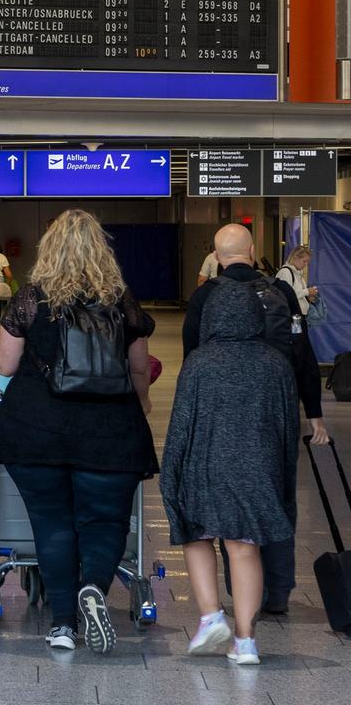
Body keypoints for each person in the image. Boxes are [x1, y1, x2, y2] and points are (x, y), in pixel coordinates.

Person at [0, 209, 156, 655]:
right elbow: (139, 368)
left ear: (49, 249)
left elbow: (5, 365)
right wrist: (141, 405)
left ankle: (62, 626)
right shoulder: (120, 299)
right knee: (106, 521)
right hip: (110, 431)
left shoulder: (31, 298)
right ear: (101, 250)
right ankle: (94, 586)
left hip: (37, 430)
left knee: (51, 525)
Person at [183, 224, 328, 616]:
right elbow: (302, 353)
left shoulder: (206, 296)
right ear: (252, 249)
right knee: (277, 495)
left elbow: (191, 360)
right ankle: (277, 592)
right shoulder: (279, 292)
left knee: (230, 500)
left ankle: (245, 592)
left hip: (221, 414)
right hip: (275, 409)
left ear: (215, 254)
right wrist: (313, 412)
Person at [161, 278, 299, 666]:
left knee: (196, 534)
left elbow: (182, 424)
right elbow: (288, 426)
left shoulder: (200, 363)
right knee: (244, 547)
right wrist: (284, 479)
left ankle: (210, 616)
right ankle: (246, 641)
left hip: (206, 467)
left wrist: (171, 472)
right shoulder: (276, 363)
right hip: (259, 469)